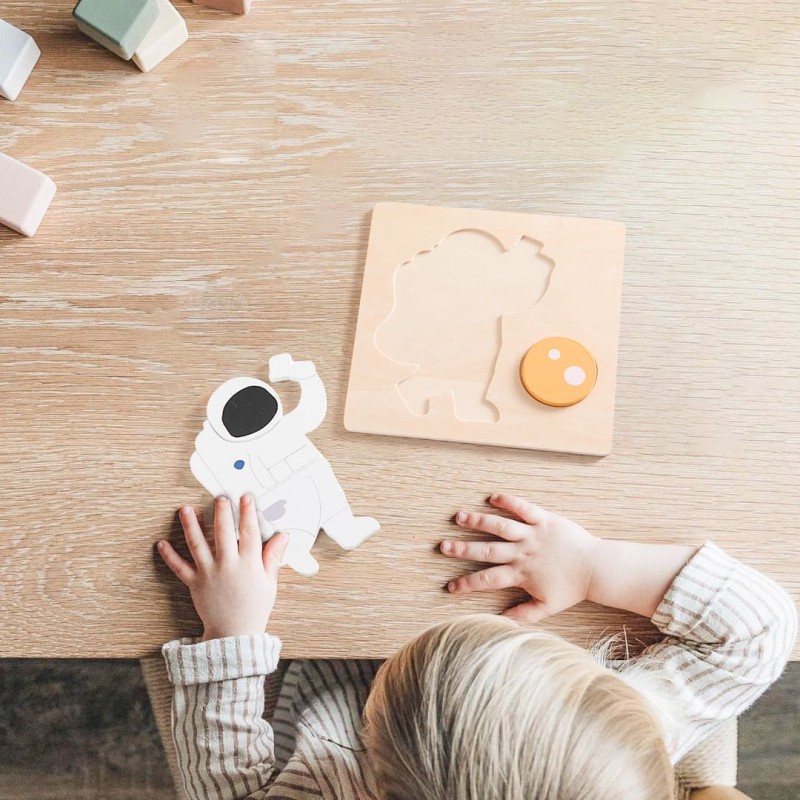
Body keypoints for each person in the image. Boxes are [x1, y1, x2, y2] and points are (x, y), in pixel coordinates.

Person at [156, 492, 796, 800]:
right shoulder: (617, 737)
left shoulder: (327, 788)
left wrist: (231, 633)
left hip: (326, 668)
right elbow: (760, 629)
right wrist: (591, 565)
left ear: (380, 772)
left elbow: (225, 789)